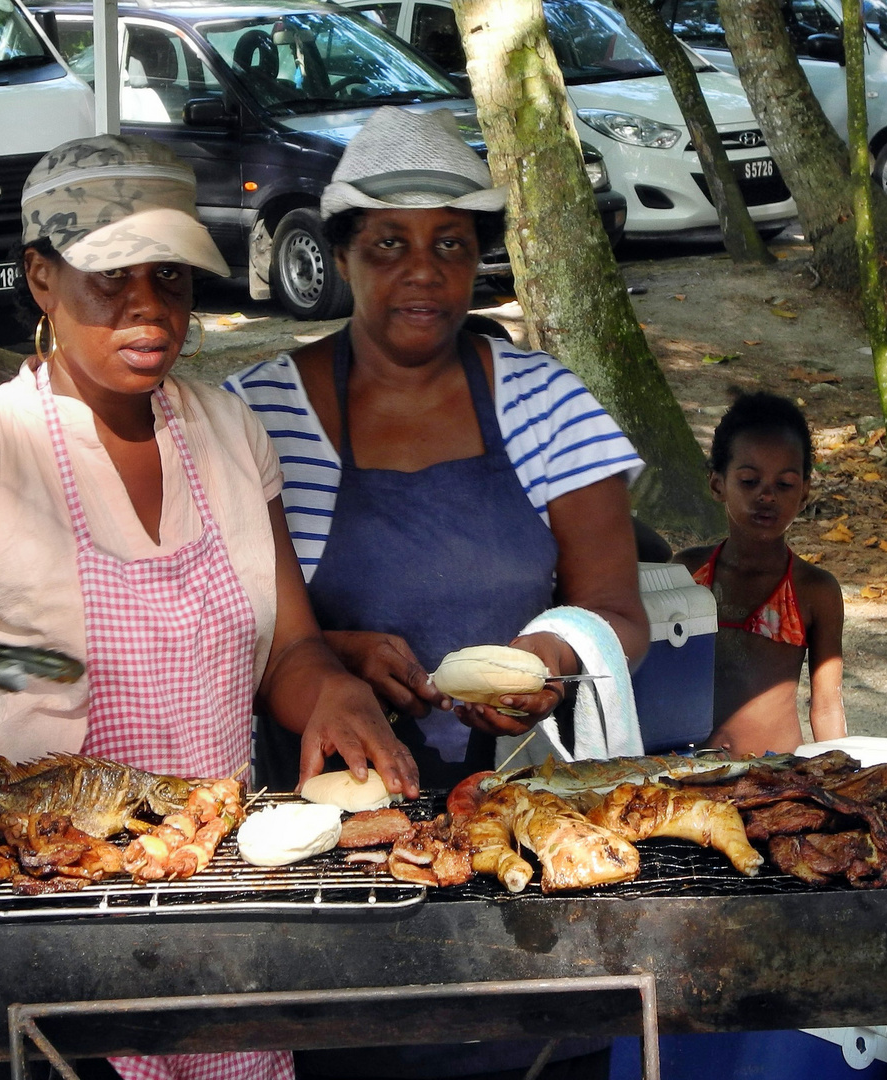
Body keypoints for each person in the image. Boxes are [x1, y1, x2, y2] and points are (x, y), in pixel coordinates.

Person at [0, 134, 420, 1080]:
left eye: (169, 276)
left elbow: (288, 648)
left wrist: (330, 691)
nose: (147, 307)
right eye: (109, 275)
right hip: (48, 905)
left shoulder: (226, 428)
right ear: (41, 278)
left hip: (211, 882)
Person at [226, 107, 651, 1080]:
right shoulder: (258, 413)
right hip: (332, 849)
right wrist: (329, 651)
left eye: (449, 244)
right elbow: (219, 622)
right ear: (340, 256)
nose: (422, 270)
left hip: (519, 838)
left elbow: (617, 612)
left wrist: (546, 659)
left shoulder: (547, 404)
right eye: (388, 244)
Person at [674, 392, 846, 758]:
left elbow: (827, 707)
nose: (767, 496)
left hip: (779, 779)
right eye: (750, 481)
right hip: (688, 773)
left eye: (784, 484)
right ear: (717, 483)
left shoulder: (815, 590)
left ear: (804, 492)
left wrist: (841, 780)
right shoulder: (687, 573)